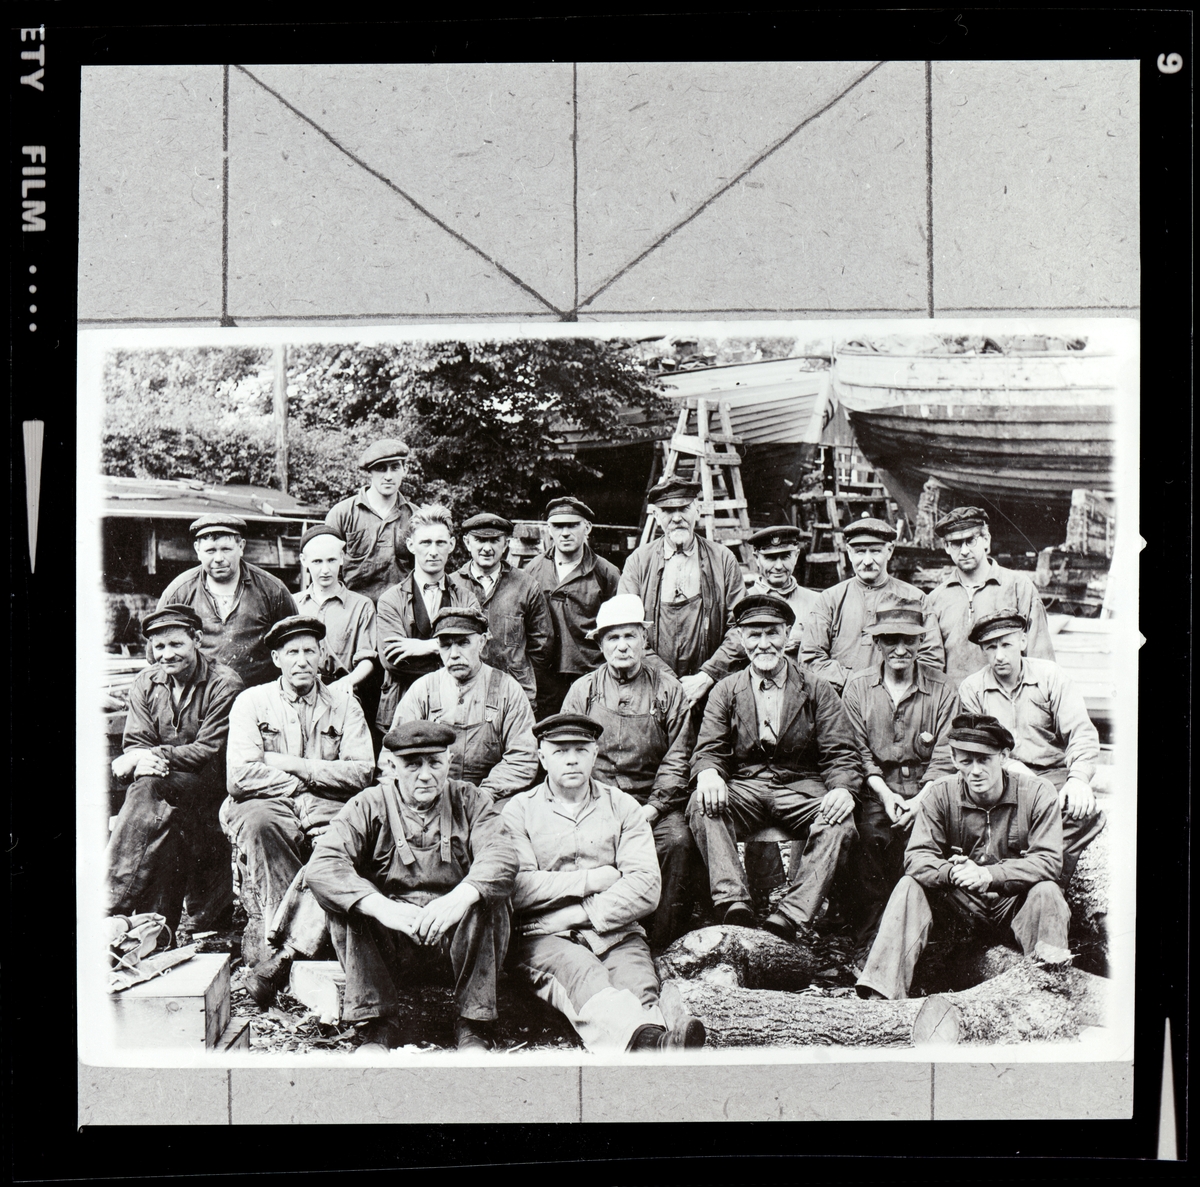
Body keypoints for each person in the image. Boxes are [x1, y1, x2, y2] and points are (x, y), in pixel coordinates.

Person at [305, 721, 519, 1052]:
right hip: (391, 943)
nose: (425, 775)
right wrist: (379, 906)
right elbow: (323, 866)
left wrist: (460, 898)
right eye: (412, 764)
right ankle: (377, 1024)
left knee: (489, 895)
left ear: (449, 761)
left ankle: (474, 1025)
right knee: (348, 901)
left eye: (435, 762)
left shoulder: (471, 801)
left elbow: (501, 856)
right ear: (392, 766)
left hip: (456, 940)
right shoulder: (368, 804)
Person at [503, 714, 706, 1052]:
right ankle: (652, 1044)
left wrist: (576, 913)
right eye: (560, 751)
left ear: (595, 754)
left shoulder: (623, 806)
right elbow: (519, 887)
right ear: (542, 758)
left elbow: (645, 886)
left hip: (615, 930)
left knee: (639, 986)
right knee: (582, 973)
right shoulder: (519, 810)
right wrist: (592, 879)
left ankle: (655, 1045)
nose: (571, 759)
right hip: (544, 936)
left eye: (581, 750)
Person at [855, 714, 1072, 1000]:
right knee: (909, 886)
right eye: (966, 761)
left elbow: (1048, 861)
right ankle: (882, 996)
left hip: (1013, 906)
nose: (975, 771)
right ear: (954, 760)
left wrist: (989, 875)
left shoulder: (1037, 793)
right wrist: (951, 872)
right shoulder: (940, 794)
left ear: (1004, 756)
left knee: (1047, 892)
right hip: (960, 911)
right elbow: (917, 857)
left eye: (984, 760)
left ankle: (1049, 996)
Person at [687, 593, 863, 942]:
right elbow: (709, 749)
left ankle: (792, 914)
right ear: (741, 639)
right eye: (754, 634)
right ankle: (733, 902)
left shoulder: (816, 688)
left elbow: (841, 751)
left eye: (772, 633)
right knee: (700, 804)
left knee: (841, 822)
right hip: (746, 788)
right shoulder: (726, 690)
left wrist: (843, 788)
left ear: (788, 634)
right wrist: (708, 772)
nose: (764, 643)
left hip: (800, 788)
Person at [221, 616, 374, 964]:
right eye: (292, 652)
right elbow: (240, 776)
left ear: (322, 655)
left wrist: (297, 765)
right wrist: (303, 783)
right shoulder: (251, 701)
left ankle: (291, 950)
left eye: (309, 651)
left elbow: (361, 772)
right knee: (263, 825)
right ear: (277, 659)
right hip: (266, 801)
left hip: (328, 805)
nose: (302, 661)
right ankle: (285, 940)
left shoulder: (345, 704)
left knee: (346, 839)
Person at [560, 594, 698, 948]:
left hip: (652, 802)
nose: (622, 646)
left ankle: (662, 942)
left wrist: (653, 808)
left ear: (644, 639)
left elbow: (679, 757)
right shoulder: (583, 691)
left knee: (678, 842)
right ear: (601, 645)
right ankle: (589, 935)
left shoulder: (668, 690)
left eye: (629, 636)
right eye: (613, 638)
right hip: (595, 801)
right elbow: (567, 753)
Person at [107, 605, 244, 938]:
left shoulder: (224, 683)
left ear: (196, 639)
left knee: (148, 789)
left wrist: (149, 756)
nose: (166, 654)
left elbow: (207, 750)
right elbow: (137, 740)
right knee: (161, 814)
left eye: (176, 644)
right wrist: (141, 758)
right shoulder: (146, 682)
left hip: (212, 788)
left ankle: (110, 906)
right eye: (159, 646)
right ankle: (156, 933)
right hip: (166, 789)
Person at [840, 600, 960, 947]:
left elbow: (946, 754)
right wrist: (885, 793)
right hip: (878, 788)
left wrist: (921, 800)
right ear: (877, 643)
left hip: (930, 789)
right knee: (868, 837)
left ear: (921, 642)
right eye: (891, 640)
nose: (901, 649)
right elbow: (857, 750)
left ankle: (928, 940)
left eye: (909, 640)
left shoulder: (943, 688)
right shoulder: (858, 687)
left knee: (929, 844)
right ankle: (871, 938)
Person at [956, 611, 1106, 885]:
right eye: (991, 647)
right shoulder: (972, 689)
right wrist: (1014, 767)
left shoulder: (1050, 676)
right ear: (983, 651)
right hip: (1001, 777)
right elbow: (978, 748)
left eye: (1006, 644)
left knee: (1083, 812)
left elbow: (1081, 732)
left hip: (1052, 775)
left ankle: (1041, 882)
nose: (999, 656)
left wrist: (1078, 779)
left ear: (1023, 641)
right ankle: (1018, 878)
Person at [617, 477, 745, 711]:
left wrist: (707, 675)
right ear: (656, 515)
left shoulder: (723, 559)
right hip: (652, 690)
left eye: (684, 508)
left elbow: (741, 627)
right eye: (668, 510)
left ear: (697, 510)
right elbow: (625, 629)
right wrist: (669, 683)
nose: (677, 518)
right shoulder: (638, 562)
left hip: (712, 693)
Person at [390, 607, 539, 802]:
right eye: (446, 645)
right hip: (431, 797)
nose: (454, 654)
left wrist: (483, 795)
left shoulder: (508, 690)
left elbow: (523, 758)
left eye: (463, 643)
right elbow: (394, 752)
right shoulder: (423, 689)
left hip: (490, 799)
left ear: (482, 642)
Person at [800, 517, 943, 694]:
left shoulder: (915, 598)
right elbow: (810, 658)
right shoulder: (829, 599)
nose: (867, 561)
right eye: (860, 552)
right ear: (849, 552)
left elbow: (931, 659)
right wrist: (855, 684)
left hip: (900, 700)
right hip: (842, 700)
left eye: (875, 551)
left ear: (889, 550)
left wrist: (896, 687)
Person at [157, 514, 298, 690]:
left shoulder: (273, 590)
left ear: (241, 547)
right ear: (197, 550)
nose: (218, 558)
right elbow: (157, 654)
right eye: (210, 551)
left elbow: (294, 648)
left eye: (226, 549)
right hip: (199, 699)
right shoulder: (179, 592)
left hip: (257, 698)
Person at [375, 504, 481, 732]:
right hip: (401, 710)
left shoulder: (466, 599)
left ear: (451, 545)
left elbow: (476, 655)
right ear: (411, 545)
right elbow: (393, 661)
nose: (433, 551)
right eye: (425, 542)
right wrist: (452, 650)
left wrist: (424, 647)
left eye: (440, 543)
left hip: (456, 711)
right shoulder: (390, 600)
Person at [925, 506, 1055, 687]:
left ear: (986, 540)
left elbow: (1041, 659)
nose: (964, 551)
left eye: (970, 540)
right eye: (955, 543)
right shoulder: (935, 599)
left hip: (1010, 700)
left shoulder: (1018, 587)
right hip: (956, 701)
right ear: (946, 547)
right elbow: (931, 667)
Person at [526, 496, 621, 719]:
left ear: (587, 527)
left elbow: (618, 626)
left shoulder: (606, 573)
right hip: (546, 677)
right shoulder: (533, 570)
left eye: (572, 525)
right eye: (558, 526)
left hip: (591, 674)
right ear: (549, 529)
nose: (565, 533)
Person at [453, 511, 554, 709]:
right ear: (467, 543)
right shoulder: (452, 585)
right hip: (463, 694)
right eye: (480, 540)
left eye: (494, 540)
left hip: (514, 695)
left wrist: (519, 674)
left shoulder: (526, 585)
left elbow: (542, 645)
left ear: (506, 544)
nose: (487, 548)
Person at [293, 524, 379, 712]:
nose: (325, 570)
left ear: (341, 558)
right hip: (298, 696)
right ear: (304, 561)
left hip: (342, 695)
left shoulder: (361, 605)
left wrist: (348, 681)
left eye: (331, 560)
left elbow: (367, 659)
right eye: (317, 562)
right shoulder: (292, 604)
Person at [324, 438, 417, 604]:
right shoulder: (342, 514)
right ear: (370, 472)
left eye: (395, 467)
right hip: (352, 609)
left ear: (405, 469)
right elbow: (327, 568)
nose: (388, 476)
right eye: (381, 469)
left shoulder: (416, 516)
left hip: (401, 610)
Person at [742, 525, 820, 657]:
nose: (778, 566)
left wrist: (804, 640)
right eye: (770, 558)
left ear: (796, 556)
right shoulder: (743, 601)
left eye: (785, 556)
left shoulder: (817, 601)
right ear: (756, 559)